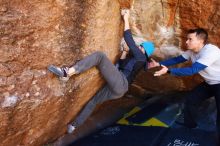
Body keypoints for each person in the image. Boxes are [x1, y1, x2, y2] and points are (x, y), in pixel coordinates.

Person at [48, 9, 155, 134]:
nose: (138, 47)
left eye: (140, 46)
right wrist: (124, 52)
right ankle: (74, 126)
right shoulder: (137, 60)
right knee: (93, 102)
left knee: (99, 56)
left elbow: (128, 38)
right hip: (119, 89)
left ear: (144, 50)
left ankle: (67, 73)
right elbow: (120, 66)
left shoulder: (141, 57)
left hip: (121, 84)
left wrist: (126, 18)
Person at [148, 28, 220, 142]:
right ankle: (190, 125)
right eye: (187, 39)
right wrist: (159, 63)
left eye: (190, 39)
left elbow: (193, 70)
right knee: (191, 99)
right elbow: (177, 59)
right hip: (210, 83)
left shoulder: (211, 51)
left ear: (201, 41)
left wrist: (169, 71)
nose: (186, 42)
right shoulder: (191, 52)